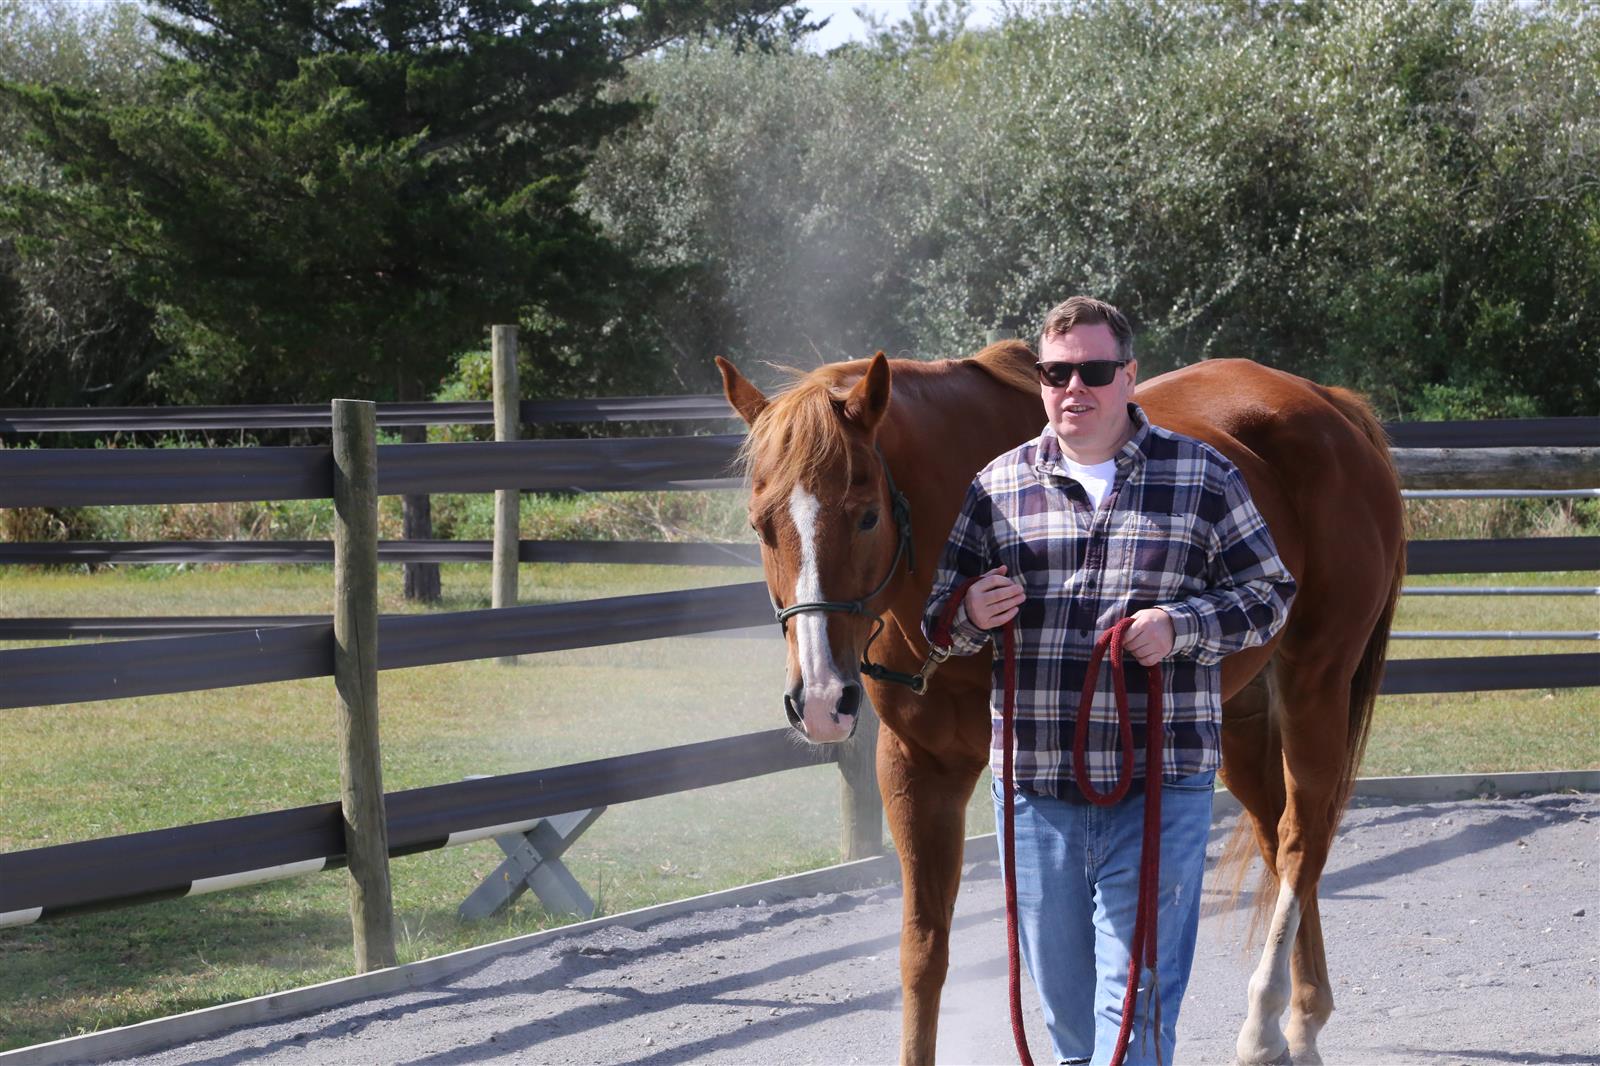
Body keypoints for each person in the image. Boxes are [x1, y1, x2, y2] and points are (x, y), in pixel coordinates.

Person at [923, 296, 1297, 1065]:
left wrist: (1181, 627)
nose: (1074, 388)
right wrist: (968, 610)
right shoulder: (996, 487)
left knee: (1134, 1012)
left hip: (1158, 784)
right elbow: (938, 623)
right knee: (1068, 1024)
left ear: (1129, 376)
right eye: (1056, 373)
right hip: (1036, 791)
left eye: (1094, 372)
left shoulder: (1202, 476)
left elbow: (1271, 595)